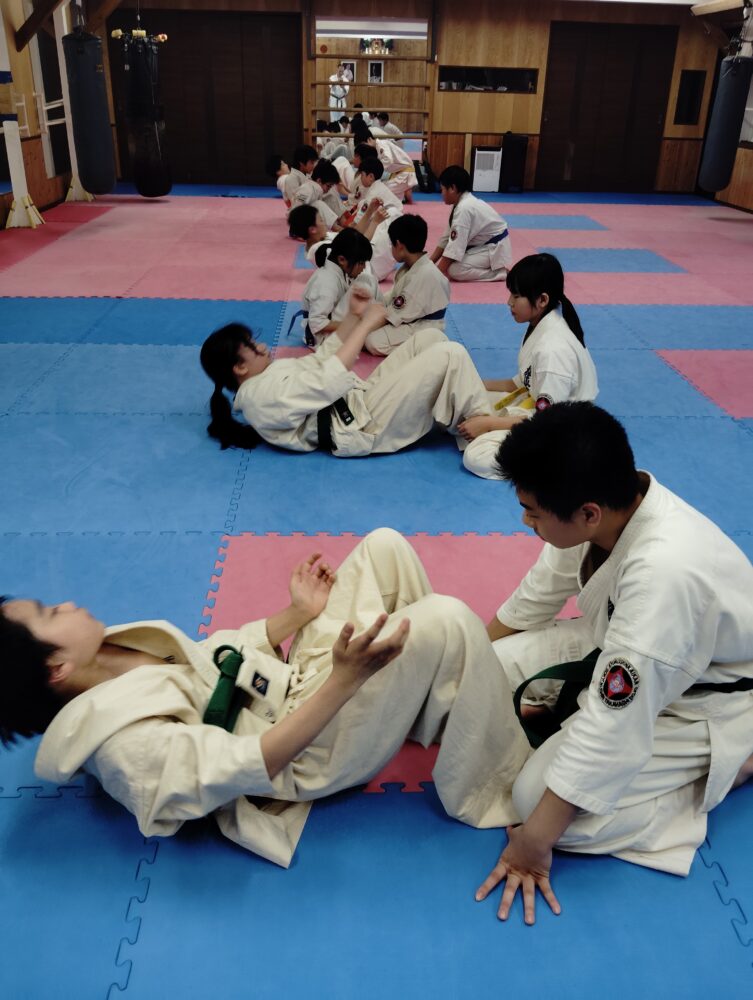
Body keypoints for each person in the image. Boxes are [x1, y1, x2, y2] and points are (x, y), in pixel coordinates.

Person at [1, 529, 530, 868]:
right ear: (56, 669)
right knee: (446, 618)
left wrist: (298, 613)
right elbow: (258, 762)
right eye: (49, 613)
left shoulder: (106, 655)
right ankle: (498, 788)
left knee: (384, 547)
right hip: (303, 749)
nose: (64, 603)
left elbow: (217, 659)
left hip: (289, 686)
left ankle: (430, 701)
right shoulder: (126, 750)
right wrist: (346, 680)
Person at [475, 402, 753, 925]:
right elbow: (535, 599)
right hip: (623, 647)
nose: (525, 521)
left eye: (532, 512)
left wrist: (533, 846)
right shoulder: (601, 508)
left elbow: (613, 726)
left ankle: (731, 765)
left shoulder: (663, 575)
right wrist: (472, 658)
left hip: (706, 698)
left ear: (588, 513)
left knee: (534, 802)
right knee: (483, 680)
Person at [199, 288, 492, 457]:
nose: (262, 346)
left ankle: (463, 417)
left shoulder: (267, 376)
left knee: (431, 339)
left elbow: (322, 360)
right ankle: (487, 430)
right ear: (239, 367)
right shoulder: (259, 398)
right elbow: (326, 381)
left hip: (359, 401)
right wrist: (366, 325)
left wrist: (353, 315)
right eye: (253, 347)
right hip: (360, 426)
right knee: (451, 353)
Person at [460, 253, 598, 479]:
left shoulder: (553, 350)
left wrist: (489, 424)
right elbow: (520, 383)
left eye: (516, 296)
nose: (509, 302)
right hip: (534, 406)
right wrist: (476, 384)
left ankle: (552, 463)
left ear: (542, 300)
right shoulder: (540, 324)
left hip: (559, 428)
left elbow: (547, 421)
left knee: (476, 457)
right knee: (467, 402)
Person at [364, 214, 451, 356]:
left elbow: (391, 316)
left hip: (426, 327)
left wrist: (361, 329)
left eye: (391, 245)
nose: (391, 248)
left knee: (371, 340)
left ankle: (427, 346)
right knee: (373, 310)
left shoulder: (421, 275)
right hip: (414, 316)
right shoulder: (412, 267)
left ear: (399, 246)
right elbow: (393, 296)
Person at [298, 229, 380, 347]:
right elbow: (316, 322)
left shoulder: (337, 269)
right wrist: (354, 325)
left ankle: (382, 315)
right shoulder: (327, 282)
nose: (363, 268)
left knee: (368, 279)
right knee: (364, 284)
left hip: (335, 322)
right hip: (322, 339)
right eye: (361, 263)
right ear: (342, 259)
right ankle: (377, 319)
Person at [430, 165, 511, 281]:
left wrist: (434, 275)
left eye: (442, 189)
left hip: (495, 248)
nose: (441, 193)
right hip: (484, 245)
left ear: (452, 188)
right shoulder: (460, 204)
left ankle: (500, 274)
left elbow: (454, 248)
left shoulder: (464, 208)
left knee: (455, 270)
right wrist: (429, 264)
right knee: (449, 264)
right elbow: (446, 239)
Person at [288, 202, 389, 265]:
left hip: (369, 255)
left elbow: (355, 234)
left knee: (389, 216)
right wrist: (375, 222)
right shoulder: (318, 250)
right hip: (370, 266)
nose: (324, 223)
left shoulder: (325, 236)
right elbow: (360, 247)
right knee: (391, 222)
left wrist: (370, 211)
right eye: (321, 220)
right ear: (312, 229)